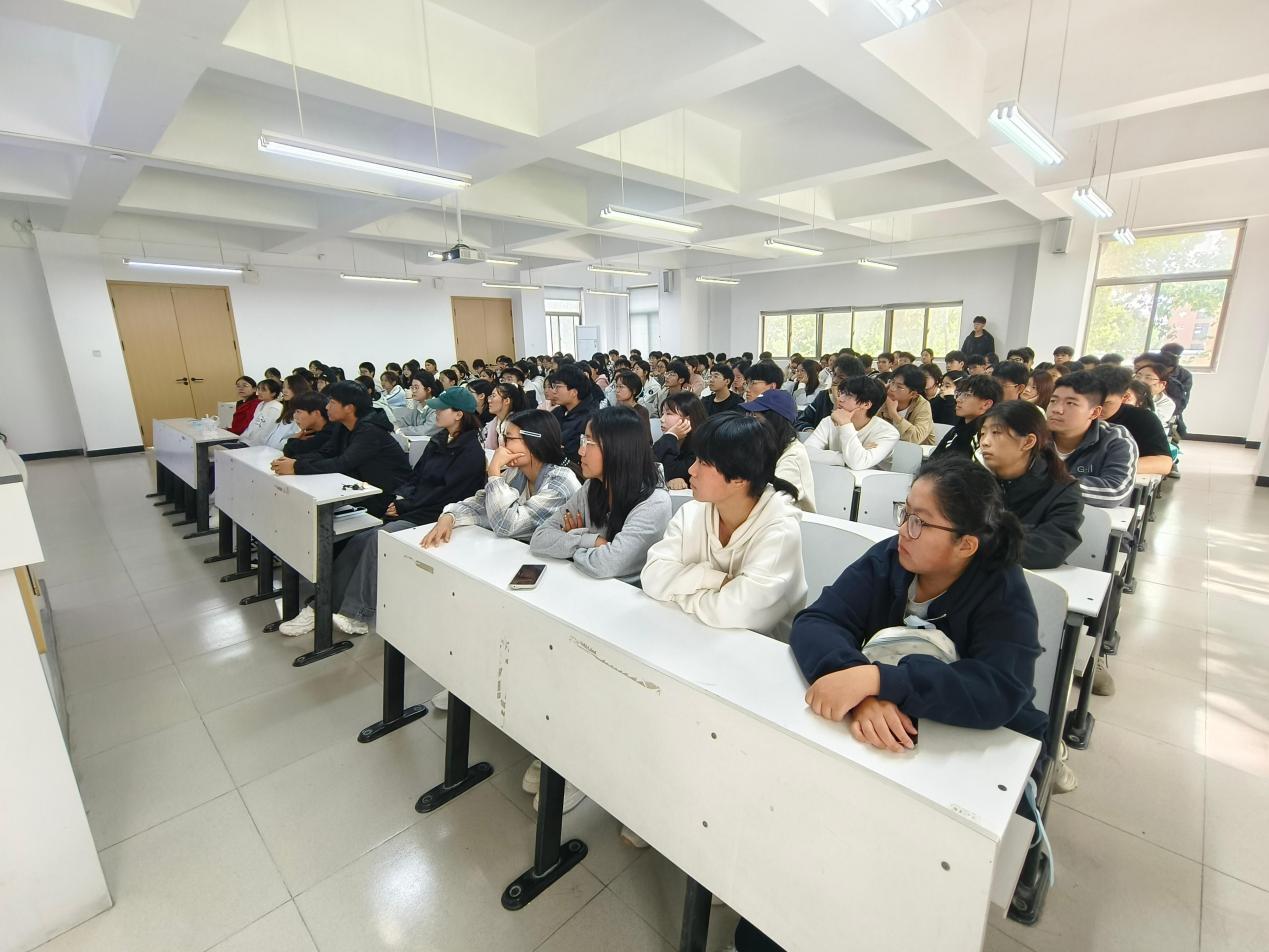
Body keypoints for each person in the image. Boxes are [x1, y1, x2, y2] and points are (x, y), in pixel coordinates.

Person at [279, 386, 487, 638]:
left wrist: (406, 505)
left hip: (437, 516)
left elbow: (448, 494)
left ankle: (356, 613)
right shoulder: (439, 441)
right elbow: (415, 477)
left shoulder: (471, 452)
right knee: (358, 541)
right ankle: (320, 606)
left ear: (459, 415)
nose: (436, 413)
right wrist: (401, 498)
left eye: (442, 409)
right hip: (416, 506)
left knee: (377, 540)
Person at [642, 413, 807, 641]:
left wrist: (679, 592)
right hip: (689, 637)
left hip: (759, 650)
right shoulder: (691, 513)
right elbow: (652, 576)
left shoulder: (780, 529)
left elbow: (740, 613)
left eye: (703, 463)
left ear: (739, 478)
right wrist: (716, 580)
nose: (691, 470)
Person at [531, 406, 672, 584]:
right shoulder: (593, 486)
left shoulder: (655, 502)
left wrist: (569, 541)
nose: (580, 451)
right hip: (587, 585)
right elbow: (539, 538)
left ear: (618, 448)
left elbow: (606, 564)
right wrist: (593, 540)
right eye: (583, 440)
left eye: (589, 443)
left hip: (629, 595)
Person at [420, 409, 580, 548]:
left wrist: (494, 472)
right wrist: (450, 516)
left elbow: (506, 525)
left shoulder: (561, 481)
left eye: (509, 438)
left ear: (534, 441)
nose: (501, 446)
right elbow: (483, 504)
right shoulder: (517, 472)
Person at [270, 382, 412, 518]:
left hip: (389, 495)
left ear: (349, 408)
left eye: (332, 403)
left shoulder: (370, 431)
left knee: (311, 509)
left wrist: (296, 467)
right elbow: (327, 453)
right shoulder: (343, 425)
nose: (326, 407)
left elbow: (343, 463)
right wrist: (294, 461)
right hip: (360, 485)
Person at [978, 402, 1084, 570]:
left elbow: (1051, 547)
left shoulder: (1063, 490)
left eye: (996, 432)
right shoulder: (975, 481)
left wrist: (975, 545)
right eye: (982, 433)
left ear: (1028, 442)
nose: (984, 442)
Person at [1045, 371, 1138, 508]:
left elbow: (1115, 490)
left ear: (1094, 412)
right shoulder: (1033, 434)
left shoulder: (1115, 439)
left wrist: (1048, 485)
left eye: (1070, 403)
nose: (1057, 409)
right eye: (1053, 401)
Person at [742, 388, 814, 513]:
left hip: (792, 520)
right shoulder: (759, 445)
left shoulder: (794, 454)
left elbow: (773, 500)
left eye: (754, 416)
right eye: (748, 414)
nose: (748, 421)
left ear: (774, 420)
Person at [805, 375, 900, 471]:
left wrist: (845, 425)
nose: (840, 399)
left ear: (866, 404)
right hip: (835, 476)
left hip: (872, 480)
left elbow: (858, 463)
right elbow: (806, 453)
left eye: (848, 395)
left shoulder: (888, 433)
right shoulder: (829, 422)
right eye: (841, 393)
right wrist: (846, 457)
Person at [1091, 366, 1172, 477]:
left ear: (1124, 397)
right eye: (1090, 402)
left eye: (1105, 403)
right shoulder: (1073, 412)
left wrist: (1111, 466)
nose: (1095, 409)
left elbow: (1163, 463)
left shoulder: (1142, 418)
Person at [931, 376, 1001, 458]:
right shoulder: (957, 429)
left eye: (967, 395)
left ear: (986, 404)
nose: (958, 399)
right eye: (959, 394)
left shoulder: (985, 437)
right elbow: (934, 457)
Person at [546, 362, 598, 471]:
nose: (554, 391)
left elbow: (573, 453)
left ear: (574, 392)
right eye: (553, 386)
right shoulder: (558, 412)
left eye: (558, 387)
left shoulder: (590, 419)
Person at [795, 354, 866, 432]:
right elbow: (801, 420)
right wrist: (810, 430)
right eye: (834, 374)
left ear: (855, 381)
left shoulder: (860, 402)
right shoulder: (824, 395)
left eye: (841, 378)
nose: (834, 380)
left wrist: (836, 401)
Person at [655, 391, 708, 489]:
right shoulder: (670, 439)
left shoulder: (700, 447)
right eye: (662, 414)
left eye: (668, 414)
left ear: (688, 419)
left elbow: (668, 472)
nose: (662, 419)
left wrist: (670, 436)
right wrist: (671, 435)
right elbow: (649, 462)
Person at [877, 365, 935, 445]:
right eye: (892, 382)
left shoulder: (923, 405)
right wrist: (878, 394)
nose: (892, 389)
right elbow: (870, 428)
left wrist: (894, 414)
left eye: (899, 387)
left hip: (920, 451)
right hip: (891, 448)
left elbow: (916, 438)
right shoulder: (885, 399)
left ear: (913, 394)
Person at [264, 374, 311, 450]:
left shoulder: (303, 412)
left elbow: (297, 438)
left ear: (299, 389)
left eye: (289, 387)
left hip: (283, 452)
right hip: (270, 450)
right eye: (283, 387)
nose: (284, 390)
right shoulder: (287, 409)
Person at [280, 391, 333, 458]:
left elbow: (290, 451)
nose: (294, 416)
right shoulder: (310, 432)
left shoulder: (328, 435)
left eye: (298, 411)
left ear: (316, 413)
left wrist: (294, 440)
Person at [1132, 357, 1176, 430]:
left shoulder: (1167, 404)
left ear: (1162, 383)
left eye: (1148, 378)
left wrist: (1149, 396)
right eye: (1138, 376)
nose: (1140, 380)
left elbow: (1151, 422)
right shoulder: (1126, 394)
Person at [396, 371, 441, 438]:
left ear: (428, 390)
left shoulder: (437, 408)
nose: (413, 391)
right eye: (412, 387)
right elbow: (405, 421)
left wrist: (400, 430)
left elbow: (425, 430)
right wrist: (392, 426)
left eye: (416, 388)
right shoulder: (418, 406)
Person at [240, 378, 283, 446]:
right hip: (246, 440)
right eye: (259, 389)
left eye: (263, 390)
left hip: (258, 445)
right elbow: (253, 424)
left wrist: (249, 444)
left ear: (273, 393)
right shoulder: (261, 404)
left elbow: (267, 430)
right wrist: (242, 438)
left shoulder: (275, 408)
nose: (259, 392)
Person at [483, 382, 526, 450]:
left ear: (507, 401)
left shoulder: (516, 425)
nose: (489, 401)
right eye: (490, 396)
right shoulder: (495, 422)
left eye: (493, 396)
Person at [612, 371, 652, 439]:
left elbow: (646, 438)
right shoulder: (615, 409)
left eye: (621, 387)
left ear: (634, 390)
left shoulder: (641, 412)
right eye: (616, 386)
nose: (617, 390)